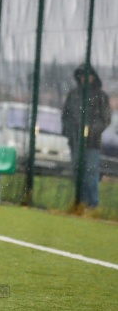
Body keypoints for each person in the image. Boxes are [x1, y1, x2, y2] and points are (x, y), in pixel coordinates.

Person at [62, 63, 111, 208]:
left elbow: (105, 119)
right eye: (82, 75)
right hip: (75, 141)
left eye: (88, 75)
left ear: (93, 77)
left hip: (92, 143)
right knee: (77, 172)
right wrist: (71, 132)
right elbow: (66, 116)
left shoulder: (100, 96)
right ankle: (80, 203)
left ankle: (92, 204)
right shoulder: (73, 94)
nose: (85, 78)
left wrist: (90, 131)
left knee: (90, 172)